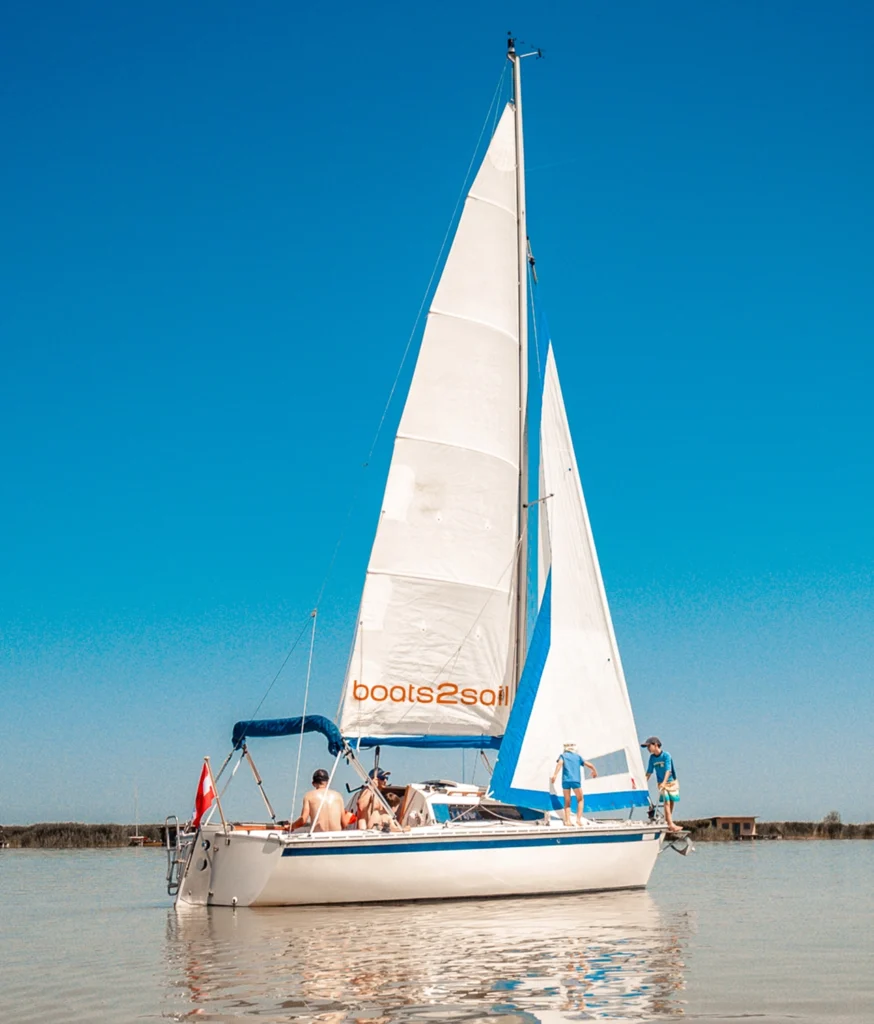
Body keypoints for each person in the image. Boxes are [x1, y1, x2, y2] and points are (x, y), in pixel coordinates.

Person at [550, 742, 597, 826]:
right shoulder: (577, 757)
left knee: (567, 801)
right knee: (580, 799)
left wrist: (555, 775)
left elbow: (560, 764)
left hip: (565, 781)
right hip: (575, 781)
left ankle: (567, 821)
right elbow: (589, 764)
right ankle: (578, 820)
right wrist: (594, 771)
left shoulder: (563, 756)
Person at [642, 736, 682, 833]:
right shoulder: (652, 758)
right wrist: (642, 783)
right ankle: (670, 824)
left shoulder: (666, 755)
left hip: (671, 782)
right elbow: (649, 772)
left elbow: (668, 770)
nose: (648, 749)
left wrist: (665, 782)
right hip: (661, 783)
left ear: (656, 745)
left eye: (649, 746)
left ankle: (668, 821)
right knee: (666, 802)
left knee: (671, 801)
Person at [290, 768, 350, 833]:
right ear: (328, 782)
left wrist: (290, 827)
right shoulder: (338, 796)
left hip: (318, 836)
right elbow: (344, 824)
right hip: (336, 836)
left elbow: (303, 820)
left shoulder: (309, 796)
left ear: (313, 783)